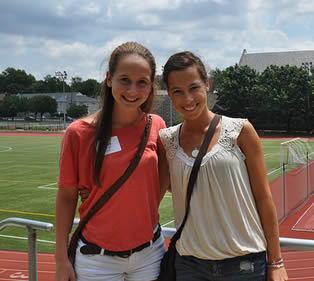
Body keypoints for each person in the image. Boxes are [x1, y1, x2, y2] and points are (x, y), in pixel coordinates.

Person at [158, 51, 288, 281]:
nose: (187, 99)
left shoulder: (241, 131)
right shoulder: (166, 140)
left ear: (207, 84)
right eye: (177, 91)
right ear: (169, 94)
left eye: (194, 87)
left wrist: (276, 261)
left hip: (244, 264)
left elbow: (263, 198)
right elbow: (152, 187)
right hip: (190, 266)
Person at [55, 41, 168, 281]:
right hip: (96, 261)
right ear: (109, 79)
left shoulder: (156, 125)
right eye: (124, 80)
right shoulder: (79, 132)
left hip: (149, 255)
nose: (133, 90)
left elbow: (163, 181)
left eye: (142, 82)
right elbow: (66, 197)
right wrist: (61, 258)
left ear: (151, 86)